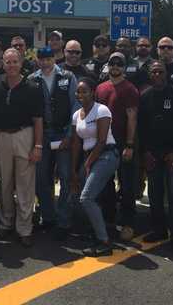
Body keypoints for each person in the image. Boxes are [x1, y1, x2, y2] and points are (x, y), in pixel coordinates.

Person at [0, 48, 44, 247]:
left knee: (25, 187)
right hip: (1, 136)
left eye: (15, 62)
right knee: (4, 184)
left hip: (24, 135)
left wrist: (38, 146)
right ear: (3, 63)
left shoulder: (33, 87)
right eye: (7, 62)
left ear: (21, 64)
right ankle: (5, 224)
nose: (11, 65)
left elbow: (38, 120)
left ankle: (24, 229)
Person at [28, 47, 79, 240]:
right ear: (37, 60)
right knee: (42, 178)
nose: (46, 62)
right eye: (42, 59)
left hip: (63, 133)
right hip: (42, 134)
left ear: (54, 58)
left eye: (49, 58)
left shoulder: (68, 76)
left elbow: (77, 105)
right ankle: (48, 218)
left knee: (66, 177)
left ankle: (64, 220)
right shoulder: (32, 79)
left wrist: (69, 134)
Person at [138, 61, 173, 253]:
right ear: (150, 74)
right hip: (152, 153)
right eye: (154, 72)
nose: (157, 74)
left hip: (172, 154)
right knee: (155, 194)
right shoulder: (145, 97)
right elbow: (141, 128)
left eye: (160, 71)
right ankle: (158, 230)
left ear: (166, 73)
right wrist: (145, 152)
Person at [69, 77, 120, 256]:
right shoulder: (77, 114)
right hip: (89, 156)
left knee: (87, 198)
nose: (81, 94)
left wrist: (88, 164)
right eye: (78, 92)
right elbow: (76, 143)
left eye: (85, 91)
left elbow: (101, 140)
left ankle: (104, 241)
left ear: (93, 92)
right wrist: (75, 170)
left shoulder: (101, 110)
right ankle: (94, 233)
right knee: (86, 196)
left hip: (106, 155)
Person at [95, 51, 139, 241]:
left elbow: (132, 118)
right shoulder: (100, 88)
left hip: (122, 142)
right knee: (105, 182)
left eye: (119, 63)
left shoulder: (130, 89)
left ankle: (128, 222)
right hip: (104, 142)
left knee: (127, 183)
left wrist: (129, 144)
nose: (115, 67)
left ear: (124, 67)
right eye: (112, 63)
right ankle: (109, 218)